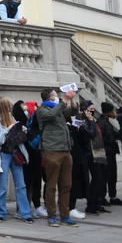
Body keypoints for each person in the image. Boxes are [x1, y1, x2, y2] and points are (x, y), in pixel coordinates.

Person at [36, 86, 80, 227]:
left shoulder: (59, 108)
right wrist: (65, 100)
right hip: (51, 150)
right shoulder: (42, 109)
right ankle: (51, 215)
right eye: (56, 96)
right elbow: (50, 116)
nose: (59, 98)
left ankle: (65, 215)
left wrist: (72, 100)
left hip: (65, 150)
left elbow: (72, 111)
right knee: (51, 185)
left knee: (66, 185)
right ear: (50, 98)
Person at [0, 97, 33, 223]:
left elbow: (16, 134)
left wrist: (21, 129)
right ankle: (0, 212)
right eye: (8, 105)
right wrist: (9, 129)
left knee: (21, 185)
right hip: (4, 154)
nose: (10, 107)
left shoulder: (11, 117)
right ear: (3, 106)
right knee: (2, 185)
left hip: (16, 153)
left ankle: (25, 212)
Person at [77, 102, 107, 216]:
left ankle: (96, 203)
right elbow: (91, 133)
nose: (92, 112)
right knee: (96, 179)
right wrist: (90, 121)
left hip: (97, 152)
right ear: (84, 110)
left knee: (99, 179)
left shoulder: (92, 120)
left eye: (93, 109)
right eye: (90, 109)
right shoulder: (81, 120)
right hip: (89, 154)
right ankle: (91, 204)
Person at [19, 101, 45, 218]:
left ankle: (35, 206)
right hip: (27, 160)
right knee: (27, 184)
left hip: (36, 160)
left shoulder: (35, 126)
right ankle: (24, 209)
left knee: (36, 184)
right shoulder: (24, 125)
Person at [96, 102, 122, 207]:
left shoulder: (107, 122)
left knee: (112, 175)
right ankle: (102, 197)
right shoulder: (102, 122)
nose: (114, 112)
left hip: (111, 152)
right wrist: (110, 141)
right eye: (112, 110)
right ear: (108, 112)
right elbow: (101, 137)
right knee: (106, 176)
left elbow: (114, 134)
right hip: (107, 153)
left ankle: (113, 196)